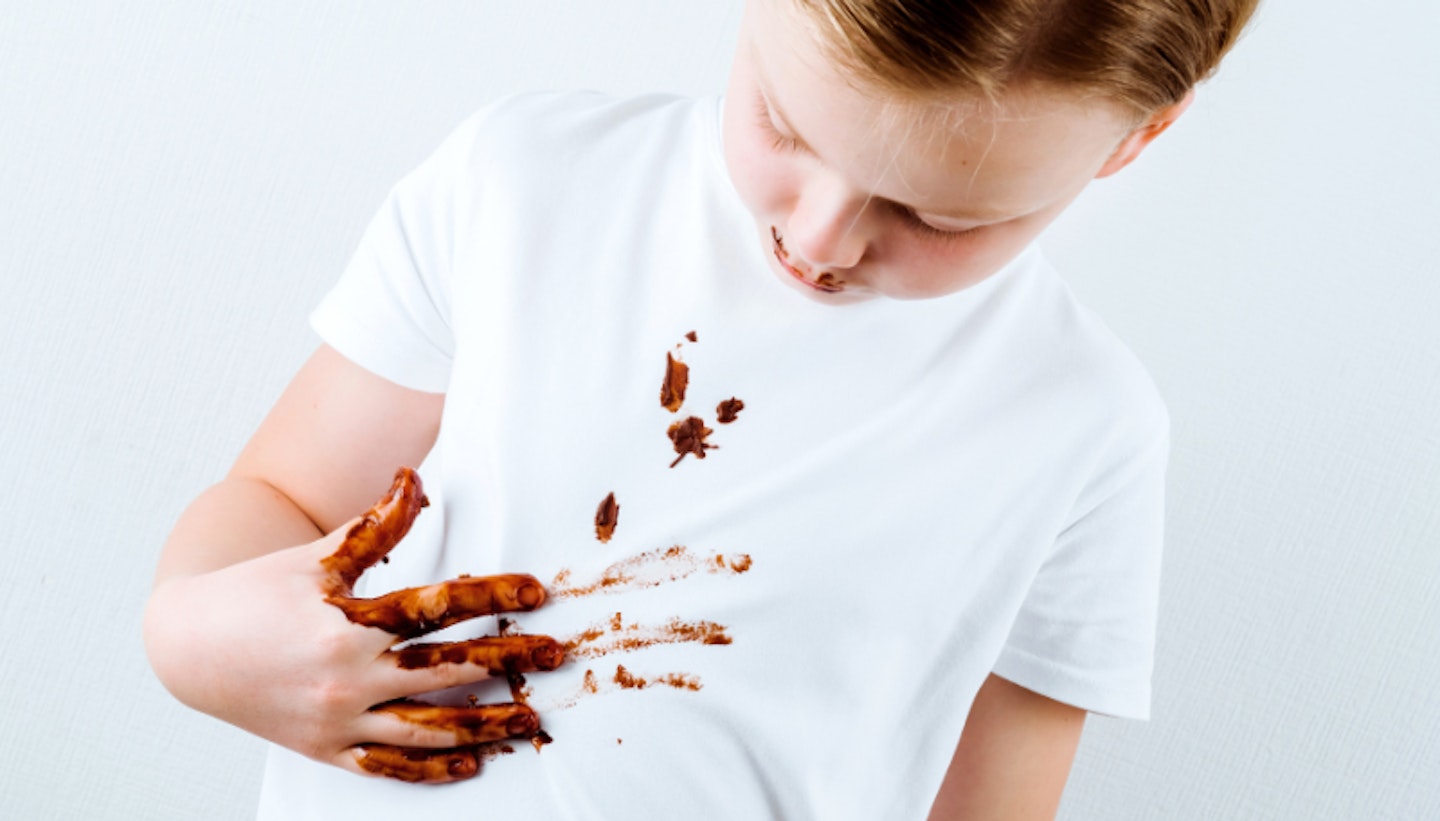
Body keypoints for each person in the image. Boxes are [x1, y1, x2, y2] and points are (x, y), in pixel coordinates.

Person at [144, 0, 1259, 817]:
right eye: (786, 124)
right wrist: (200, 640)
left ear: (1133, 139)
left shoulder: (1082, 427)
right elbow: (279, 498)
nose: (820, 238)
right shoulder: (528, 187)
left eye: (934, 214)